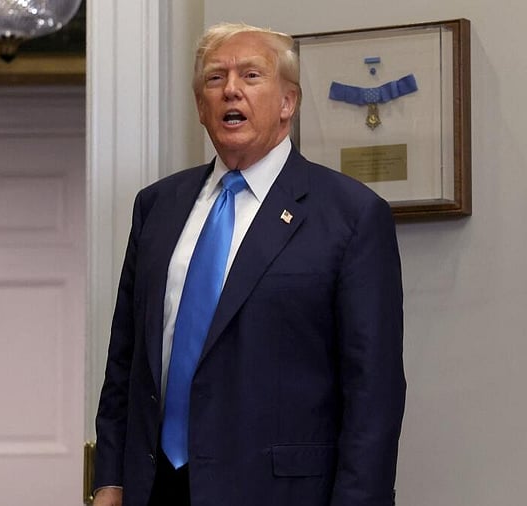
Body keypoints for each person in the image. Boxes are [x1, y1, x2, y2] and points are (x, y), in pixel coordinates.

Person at [93, 22, 406, 506]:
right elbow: (125, 362)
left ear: (288, 103)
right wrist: (109, 479)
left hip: (279, 491)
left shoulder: (350, 215)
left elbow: (374, 391)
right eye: (215, 79)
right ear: (201, 107)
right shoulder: (157, 206)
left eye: (251, 75)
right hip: (156, 488)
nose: (230, 89)